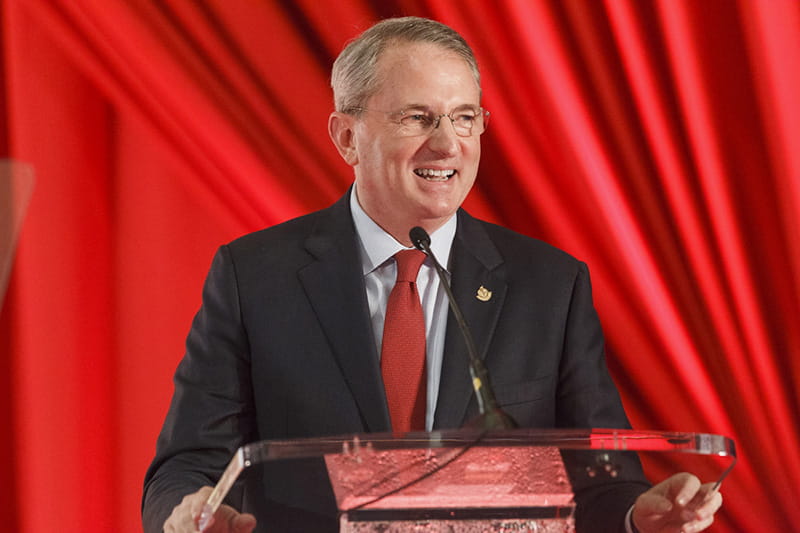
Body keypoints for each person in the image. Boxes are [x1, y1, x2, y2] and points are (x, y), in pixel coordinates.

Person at [143, 16, 722, 533]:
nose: (447, 144)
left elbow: (600, 477)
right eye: (417, 117)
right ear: (347, 137)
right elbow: (188, 463)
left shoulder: (549, 285)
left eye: (465, 117)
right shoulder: (254, 277)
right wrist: (187, 516)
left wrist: (634, 517)